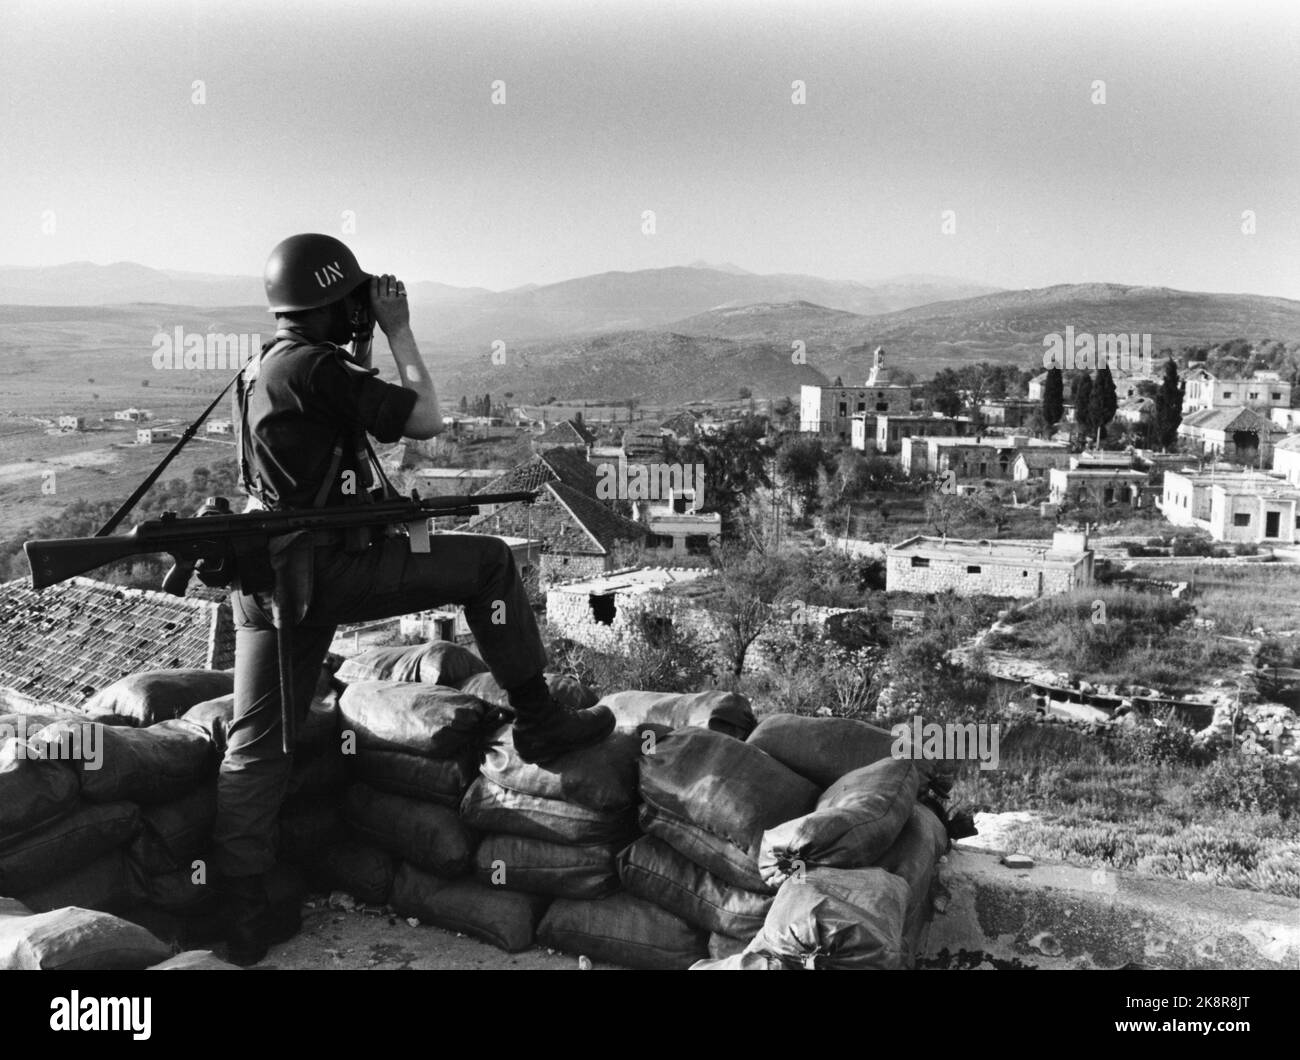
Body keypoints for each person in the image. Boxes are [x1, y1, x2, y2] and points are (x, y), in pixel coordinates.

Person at [213, 233, 614, 965]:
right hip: (328, 572)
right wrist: (400, 329)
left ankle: (240, 906)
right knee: (491, 564)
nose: (363, 315)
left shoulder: (264, 366)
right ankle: (540, 721)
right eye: (354, 304)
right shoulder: (318, 367)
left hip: (269, 578)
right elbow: (426, 417)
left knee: (257, 742)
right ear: (332, 304)